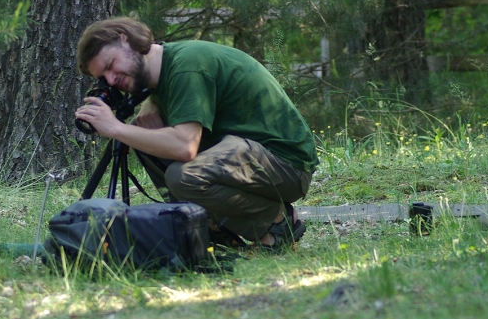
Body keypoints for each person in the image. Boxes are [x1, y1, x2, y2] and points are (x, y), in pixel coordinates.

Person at [75, 17, 319, 249]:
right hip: (252, 159)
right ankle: (211, 228)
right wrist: (144, 112)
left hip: (287, 165)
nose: (112, 78)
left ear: (125, 39)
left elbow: (185, 147)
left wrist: (116, 128)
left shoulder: (186, 66)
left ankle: (277, 221)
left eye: (110, 65)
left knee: (183, 175)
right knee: (144, 134)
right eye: (103, 79)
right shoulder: (162, 69)